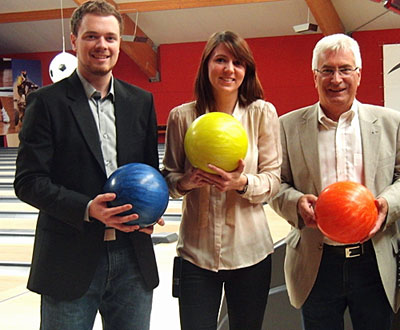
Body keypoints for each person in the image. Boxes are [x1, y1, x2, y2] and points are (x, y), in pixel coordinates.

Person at [13, 1, 163, 329]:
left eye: (110, 37)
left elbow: (149, 172)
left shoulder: (140, 102)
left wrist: (154, 208)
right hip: (69, 259)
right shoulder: (46, 103)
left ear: (120, 43)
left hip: (132, 259)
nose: (102, 45)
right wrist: (87, 208)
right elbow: (28, 180)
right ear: (74, 40)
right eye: (92, 36)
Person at [269, 33, 400, 330]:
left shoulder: (392, 123)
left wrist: (386, 205)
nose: (336, 79)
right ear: (314, 76)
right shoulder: (286, 126)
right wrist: (296, 203)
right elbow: (276, 183)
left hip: (374, 260)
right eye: (327, 70)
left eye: (345, 69)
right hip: (316, 262)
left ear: (359, 75)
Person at [162, 31, 282, 330]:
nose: (229, 69)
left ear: (246, 71)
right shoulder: (181, 117)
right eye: (221, 60)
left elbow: (273, 179)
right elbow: (168, 180)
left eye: (238, 62)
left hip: (251, 253)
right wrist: (186, 182)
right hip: (195, 254)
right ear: (206, 66)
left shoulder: (262, 114)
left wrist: (241, 183)